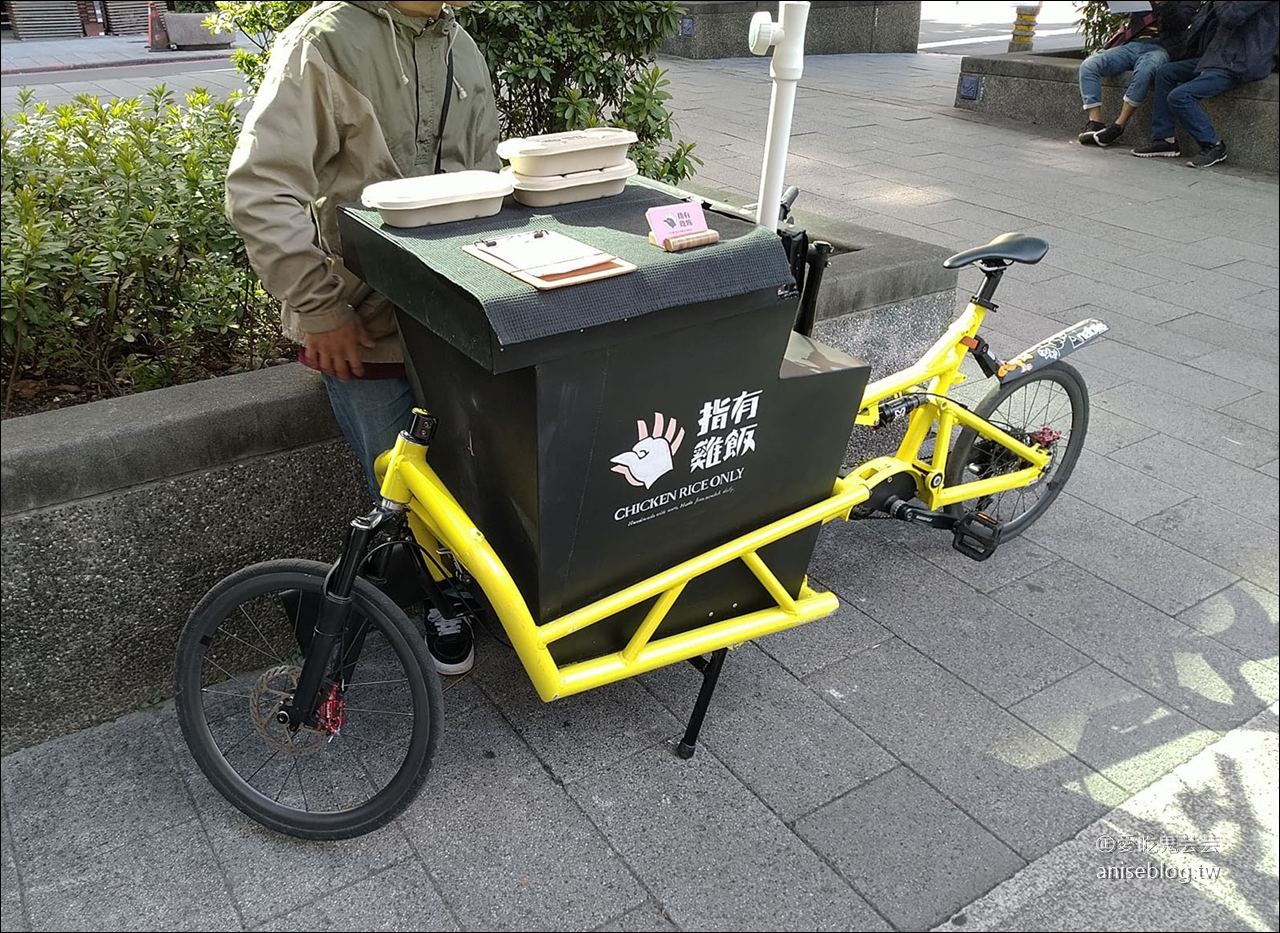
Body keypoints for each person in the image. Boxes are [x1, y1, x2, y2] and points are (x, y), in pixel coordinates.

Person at [225, 0, 502, 674]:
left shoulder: (463, 47)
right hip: (362, 331)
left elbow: (488, 182)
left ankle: (468, 585)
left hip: (456, 321)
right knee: (399, 487)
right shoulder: (325, 42)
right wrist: (320, 309)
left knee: (469, 473)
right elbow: (260, 188)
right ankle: (442, 601)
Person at [1132, 0, 1280, 166]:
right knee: (1166, 72)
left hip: (1240, 61)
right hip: (1218, 57)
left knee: (1180, 96)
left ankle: (1213, 145)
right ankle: (1165, 139)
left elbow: (1230, 16)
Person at [1076, 1, 1200, 148]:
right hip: (1132, 44)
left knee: (1145, 72)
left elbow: (1181, 22)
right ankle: (1095, 122)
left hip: (1160, 48)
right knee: (1089, 65)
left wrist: (1165, 4)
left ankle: (1119, 125)